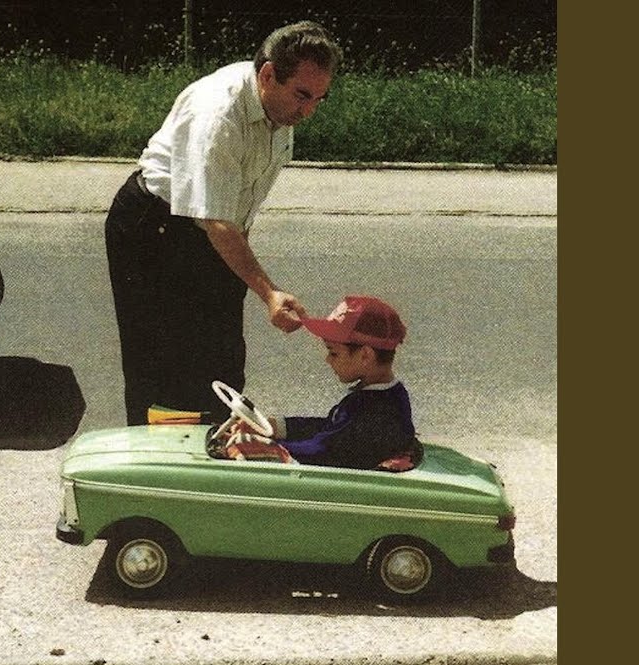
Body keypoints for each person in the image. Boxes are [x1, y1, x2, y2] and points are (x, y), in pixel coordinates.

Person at [105, 21, 343, 425]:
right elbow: (216, 220)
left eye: (320, 98)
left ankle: (214, 443)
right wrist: (269, 293)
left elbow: (237, 211)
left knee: (222, 359)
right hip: (153, 228)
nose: (309, 111)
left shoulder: (278, 112)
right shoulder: (218, 115)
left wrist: (243, 280)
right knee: (163, 367)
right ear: (268, 75)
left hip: (209, 229)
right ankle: (156, 454)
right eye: (302, 96)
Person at [258, 295, 422, 470]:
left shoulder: (378, 410)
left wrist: (266, 448)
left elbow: (324, 450)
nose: (328, 360)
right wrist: (277, 426)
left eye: (333, 353)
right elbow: (330, 427)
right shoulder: (387, 394)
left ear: (365, 355)